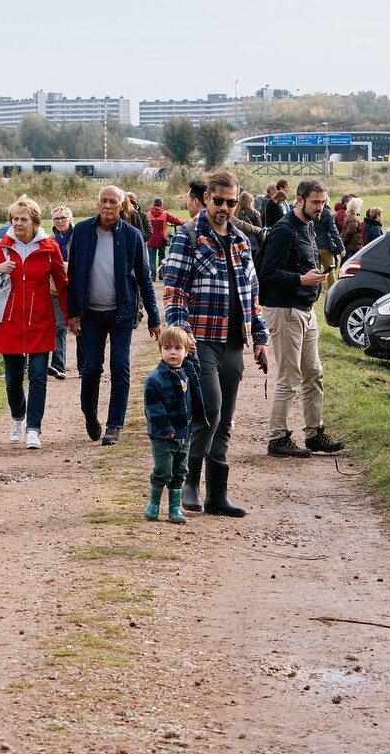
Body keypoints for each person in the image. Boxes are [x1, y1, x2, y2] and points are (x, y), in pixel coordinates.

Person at [162, 169, 268, 518]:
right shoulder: (188, 236)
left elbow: (252, 294)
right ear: (206, 199)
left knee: (225, 421)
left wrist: (260, 339)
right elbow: (174, 289)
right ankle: (188, 482)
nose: (224, 207)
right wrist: (180, 332)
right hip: (200, 340)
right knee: (209, 411)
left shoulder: (239, 239)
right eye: (218, 201)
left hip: (233, 342)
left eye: (231, 202)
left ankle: (217, 494)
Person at [68, 184, 160, 446]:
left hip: (121, 314)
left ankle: (114, 426)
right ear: (98, 204)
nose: (107, 206)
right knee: (91, 368)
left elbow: (144, 277)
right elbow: (73, 273)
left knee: (120, 367)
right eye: (103, 201)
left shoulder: (131, 236)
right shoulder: (83, 231)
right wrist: (73, 312)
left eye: (113, 202)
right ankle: (90, 413)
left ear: (122, 206)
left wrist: (154, 317)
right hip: (91, 314)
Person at [260, 178, 344, 459]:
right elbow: (267, 272)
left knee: (314, 373)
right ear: (299, 200)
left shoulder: (308, 226)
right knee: (289, 375)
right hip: (285, 309)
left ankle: (314, 433)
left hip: (305, 309)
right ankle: (278, 438)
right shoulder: (284, 230)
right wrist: (300, 278)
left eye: (323, 202)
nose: (320, 208)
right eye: (315, 202)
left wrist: (313, 277)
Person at [0, 195, 67, 450]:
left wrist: (71, 314)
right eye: (15, 219)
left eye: (23, 219)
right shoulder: (1, 246)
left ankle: (34, 429)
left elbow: (62, 284)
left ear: (35, 222)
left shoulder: (50, 247)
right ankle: (18, 417)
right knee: (13, 379)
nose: (18, 223)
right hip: (9, 322)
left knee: (39, 377)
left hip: (40, 320)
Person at [142, 326, 206, 525]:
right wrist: (165, 429)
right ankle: (153, 504)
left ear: (186, 352)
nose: (173, 352)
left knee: (180, 472)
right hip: (163, 436)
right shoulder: (155, 379)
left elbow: (196, 368)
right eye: (168, 348)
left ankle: (174, 508)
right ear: (160, 350)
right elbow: (153, 408)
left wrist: (193, 354)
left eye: (178, 348)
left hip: (184, 433)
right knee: (164, 470)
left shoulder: (187, 372)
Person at [49, 206, 74, 379]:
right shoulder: (49, 240)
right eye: (56, 219)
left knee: (81, 328)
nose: (60, 221)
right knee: (58, 326)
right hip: (55, 289)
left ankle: (85, 366)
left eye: (63, 218)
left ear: (70, 219)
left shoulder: (78, 237)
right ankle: (58, 365)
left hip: (77, 288)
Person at [145, 197, 185, 281]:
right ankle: (162, 275)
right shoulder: (165, 214)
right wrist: (186, 222)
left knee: (152, 259)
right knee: (162, 257)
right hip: (162, 239)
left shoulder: (148, 214)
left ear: (154, 204)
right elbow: (176, 221)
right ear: (161, 204)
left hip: (150, 239)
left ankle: (152, 276)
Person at [314, 202, 345, 290]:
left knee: (316, 271)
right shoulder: (327, 213)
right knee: (330, 272)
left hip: (314, 246)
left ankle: (316, 290)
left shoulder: (311, 212)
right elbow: (333, 231)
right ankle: (332, 291)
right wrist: (341, 248)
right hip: (325, 246)